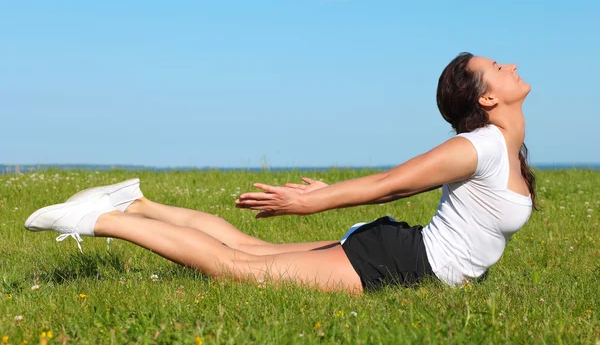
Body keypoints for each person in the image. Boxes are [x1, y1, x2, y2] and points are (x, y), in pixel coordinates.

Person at [24, 52, 536, 294]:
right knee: (237, 268)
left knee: (246, 249)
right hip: (403, 263)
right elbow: (388, 186)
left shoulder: (503, 146)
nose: (511, 65)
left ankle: (133, 203)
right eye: (499, 67)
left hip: (409, 255)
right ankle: (99, 219)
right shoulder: (479, 146)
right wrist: (311, 201)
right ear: (488, 98)